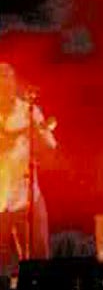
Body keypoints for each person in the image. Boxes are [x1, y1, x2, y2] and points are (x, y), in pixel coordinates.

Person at [0, 63, 56, 272]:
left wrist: (36, 134)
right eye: (1, 78)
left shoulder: (28, 111)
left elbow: (50, 148)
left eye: (9, 78)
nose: (5, 82)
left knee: (38, 263)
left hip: (27, 198)